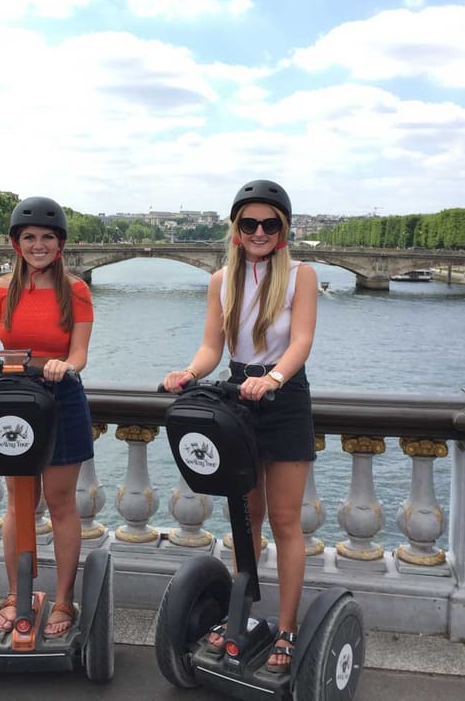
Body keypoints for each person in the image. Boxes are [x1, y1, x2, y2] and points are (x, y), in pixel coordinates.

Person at [162, 179, 318, 673]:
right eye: (249, 223)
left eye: (270, 224)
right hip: (238, 397)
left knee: (286, 521)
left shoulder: (301, 276)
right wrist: (189, 372)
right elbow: (213, 347)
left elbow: (301, 341)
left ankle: (287, 630)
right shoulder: (220, 282)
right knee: (245, 517)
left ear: (283, 230)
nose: (259, 232)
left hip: (284, 396)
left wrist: (273, 377)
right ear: (235, 229)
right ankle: (241, 618)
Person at [0, 196, 94, 638]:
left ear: (60, 244)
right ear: (16, 244)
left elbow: (79, 354)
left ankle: (65, 599)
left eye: (46, 238)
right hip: (14, 399)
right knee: (18, 502)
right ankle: (18, 593)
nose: (38, 245)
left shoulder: (77, 290)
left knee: (60, 502)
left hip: (61, 397)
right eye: (29, 238)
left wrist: (63, 365)